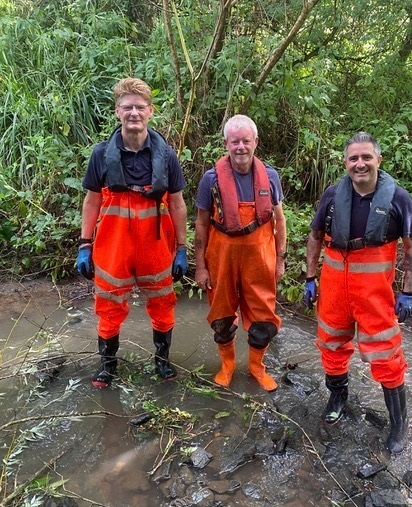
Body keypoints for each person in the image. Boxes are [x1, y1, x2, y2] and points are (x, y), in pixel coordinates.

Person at [304, 131, 412, 454]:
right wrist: (309, 277)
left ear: (378, 160)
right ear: (345, 162)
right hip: (334, 288)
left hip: (374, 294)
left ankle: (399, 424)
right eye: (354, 158)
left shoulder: (398, 199)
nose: (360, 164)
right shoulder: (331, 196)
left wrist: (407, 292)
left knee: (386, 355)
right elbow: (315, 237)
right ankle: (337, 397)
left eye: (366, 157)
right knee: (331, 343)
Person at [76, 77, 188, 388]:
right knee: (109, 305)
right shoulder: (101, 154)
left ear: (150, 111)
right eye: (127, 107)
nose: (134, 112)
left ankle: (162, 362)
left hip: (155, 243)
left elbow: (177, 204)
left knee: (163, 304)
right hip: (114, 245)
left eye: (140, 107)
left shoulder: (166, 155)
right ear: (117, 112)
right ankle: (107, 367)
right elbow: (92, 200)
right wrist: (85, 244)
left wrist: (182, 247)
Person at [194, 114, 287, 391]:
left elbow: (280, 220)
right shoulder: (210, 180)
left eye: (246, 141)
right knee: (221, 317)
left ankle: (257, 367)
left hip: (260, 257)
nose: (240, 147)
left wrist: (280, 260)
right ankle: (228, 365)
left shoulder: (270, 177)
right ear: (226, 143)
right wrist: (200, 266)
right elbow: (200, 223)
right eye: (235, 141)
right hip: (221, 255)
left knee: (263, 319)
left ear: (255, 142)